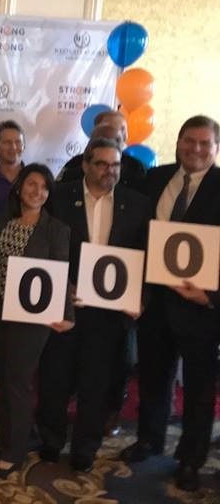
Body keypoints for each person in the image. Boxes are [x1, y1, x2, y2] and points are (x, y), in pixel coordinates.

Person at [37, 139, 151, 472]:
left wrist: (140, 297)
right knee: (55, 378)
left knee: (96, 384)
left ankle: (86, 446)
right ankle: (51, 439)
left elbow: (144, 257)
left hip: (110, 314)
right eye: (101, 164)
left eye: (115, 165)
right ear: (86, 165)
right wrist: (59, 285)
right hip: (65, 305)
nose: (109, 171)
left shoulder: (138, 204)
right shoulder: (58, 197)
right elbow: (42, 247)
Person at [120, 115, 220, 492]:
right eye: (188, 141)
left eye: (204, 143)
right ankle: (149, 439)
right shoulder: (156, 178)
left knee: (198, 387)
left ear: (215, 148)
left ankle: (191, 459)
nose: (195, 149)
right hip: (156, 300)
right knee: (153, 376)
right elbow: (139, 238)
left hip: (199, 306)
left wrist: (211, 296)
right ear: (177, 142)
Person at [0, 164, 72, 472]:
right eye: (32, 184)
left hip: (31, 317)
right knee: (5, 379)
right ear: (19, 187)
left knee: (18, 382)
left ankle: (15, 451)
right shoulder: (3, 221)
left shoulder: (56, 229)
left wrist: (66, 313)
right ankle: (7, 437)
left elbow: (62, 273)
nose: (38, 192)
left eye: (44, 187)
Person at [57, 110, 147, 191]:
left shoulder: (135, 168)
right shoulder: (75, 164)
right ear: (97, 132)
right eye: (116, 129)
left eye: (124, 129)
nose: (123, 135)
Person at [0, 120, 25, 219]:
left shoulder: (33, 178)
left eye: (18, 142)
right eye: (7, 142)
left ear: (24, 146)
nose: (13, 147)